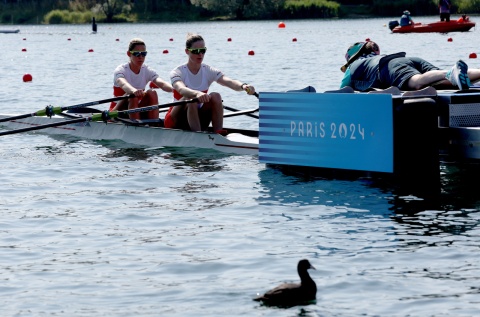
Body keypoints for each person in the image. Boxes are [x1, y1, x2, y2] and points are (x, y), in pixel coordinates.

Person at [164, 33, 256, 134]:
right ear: (187, 51)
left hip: (197, 117)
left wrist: (243, 86)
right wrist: (197, 94)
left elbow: (229, 81)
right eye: (196, 51)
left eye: (203, 51)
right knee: (190, 99)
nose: (200, 54)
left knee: (215, 96)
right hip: (175, 120)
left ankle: (218, 133)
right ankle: (198, 136)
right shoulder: (178, 72)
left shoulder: (208, 70)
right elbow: (181, 89)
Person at [340, 40, 480, 92]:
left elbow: (342, 92)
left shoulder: (353, 67)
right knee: (444, 83)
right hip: (407, 59)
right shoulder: (373, 57)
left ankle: (450, 73)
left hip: (388, 66)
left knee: (416, 82)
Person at [111, 38, 173, 121]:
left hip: (136, 108)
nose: (140, 57)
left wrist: (176, 89)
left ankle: (154, 123)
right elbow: (123, 83)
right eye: (137, 54)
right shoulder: (121, 70)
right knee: (133, 96)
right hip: (117, 111)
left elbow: (161, 83)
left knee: (152, 92)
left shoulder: (146, 70)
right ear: (129, 54)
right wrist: (133, 90)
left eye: (143, 54)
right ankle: (136, 125)